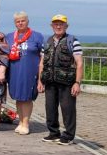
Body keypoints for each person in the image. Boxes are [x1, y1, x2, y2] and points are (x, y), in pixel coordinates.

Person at [38, 14, 83, 145]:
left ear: (66, 26)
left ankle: (68, 136)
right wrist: (40, 81)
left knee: (68, 109)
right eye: (56, 24)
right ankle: (53, 133)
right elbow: (41, 63)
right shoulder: (47, 42)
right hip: (50, 81)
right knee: (50, 108)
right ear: (52, 26)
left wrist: (77, 83)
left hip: (67, 82)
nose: (58, 26)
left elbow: (79, 63)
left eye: (61, 24)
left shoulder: (73, 41)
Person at [6, 11, 44, 135]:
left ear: (28, 21)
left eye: (23, 20)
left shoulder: (37, 36)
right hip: (14, 71)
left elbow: (43, 56)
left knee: (27, 98)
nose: (20, 23)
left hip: (30, 72)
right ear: (15, 23)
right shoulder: (9, 37)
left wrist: (41, 77)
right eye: (18, 21)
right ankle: (20, 122)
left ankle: (26, 123)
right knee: (18, 97)